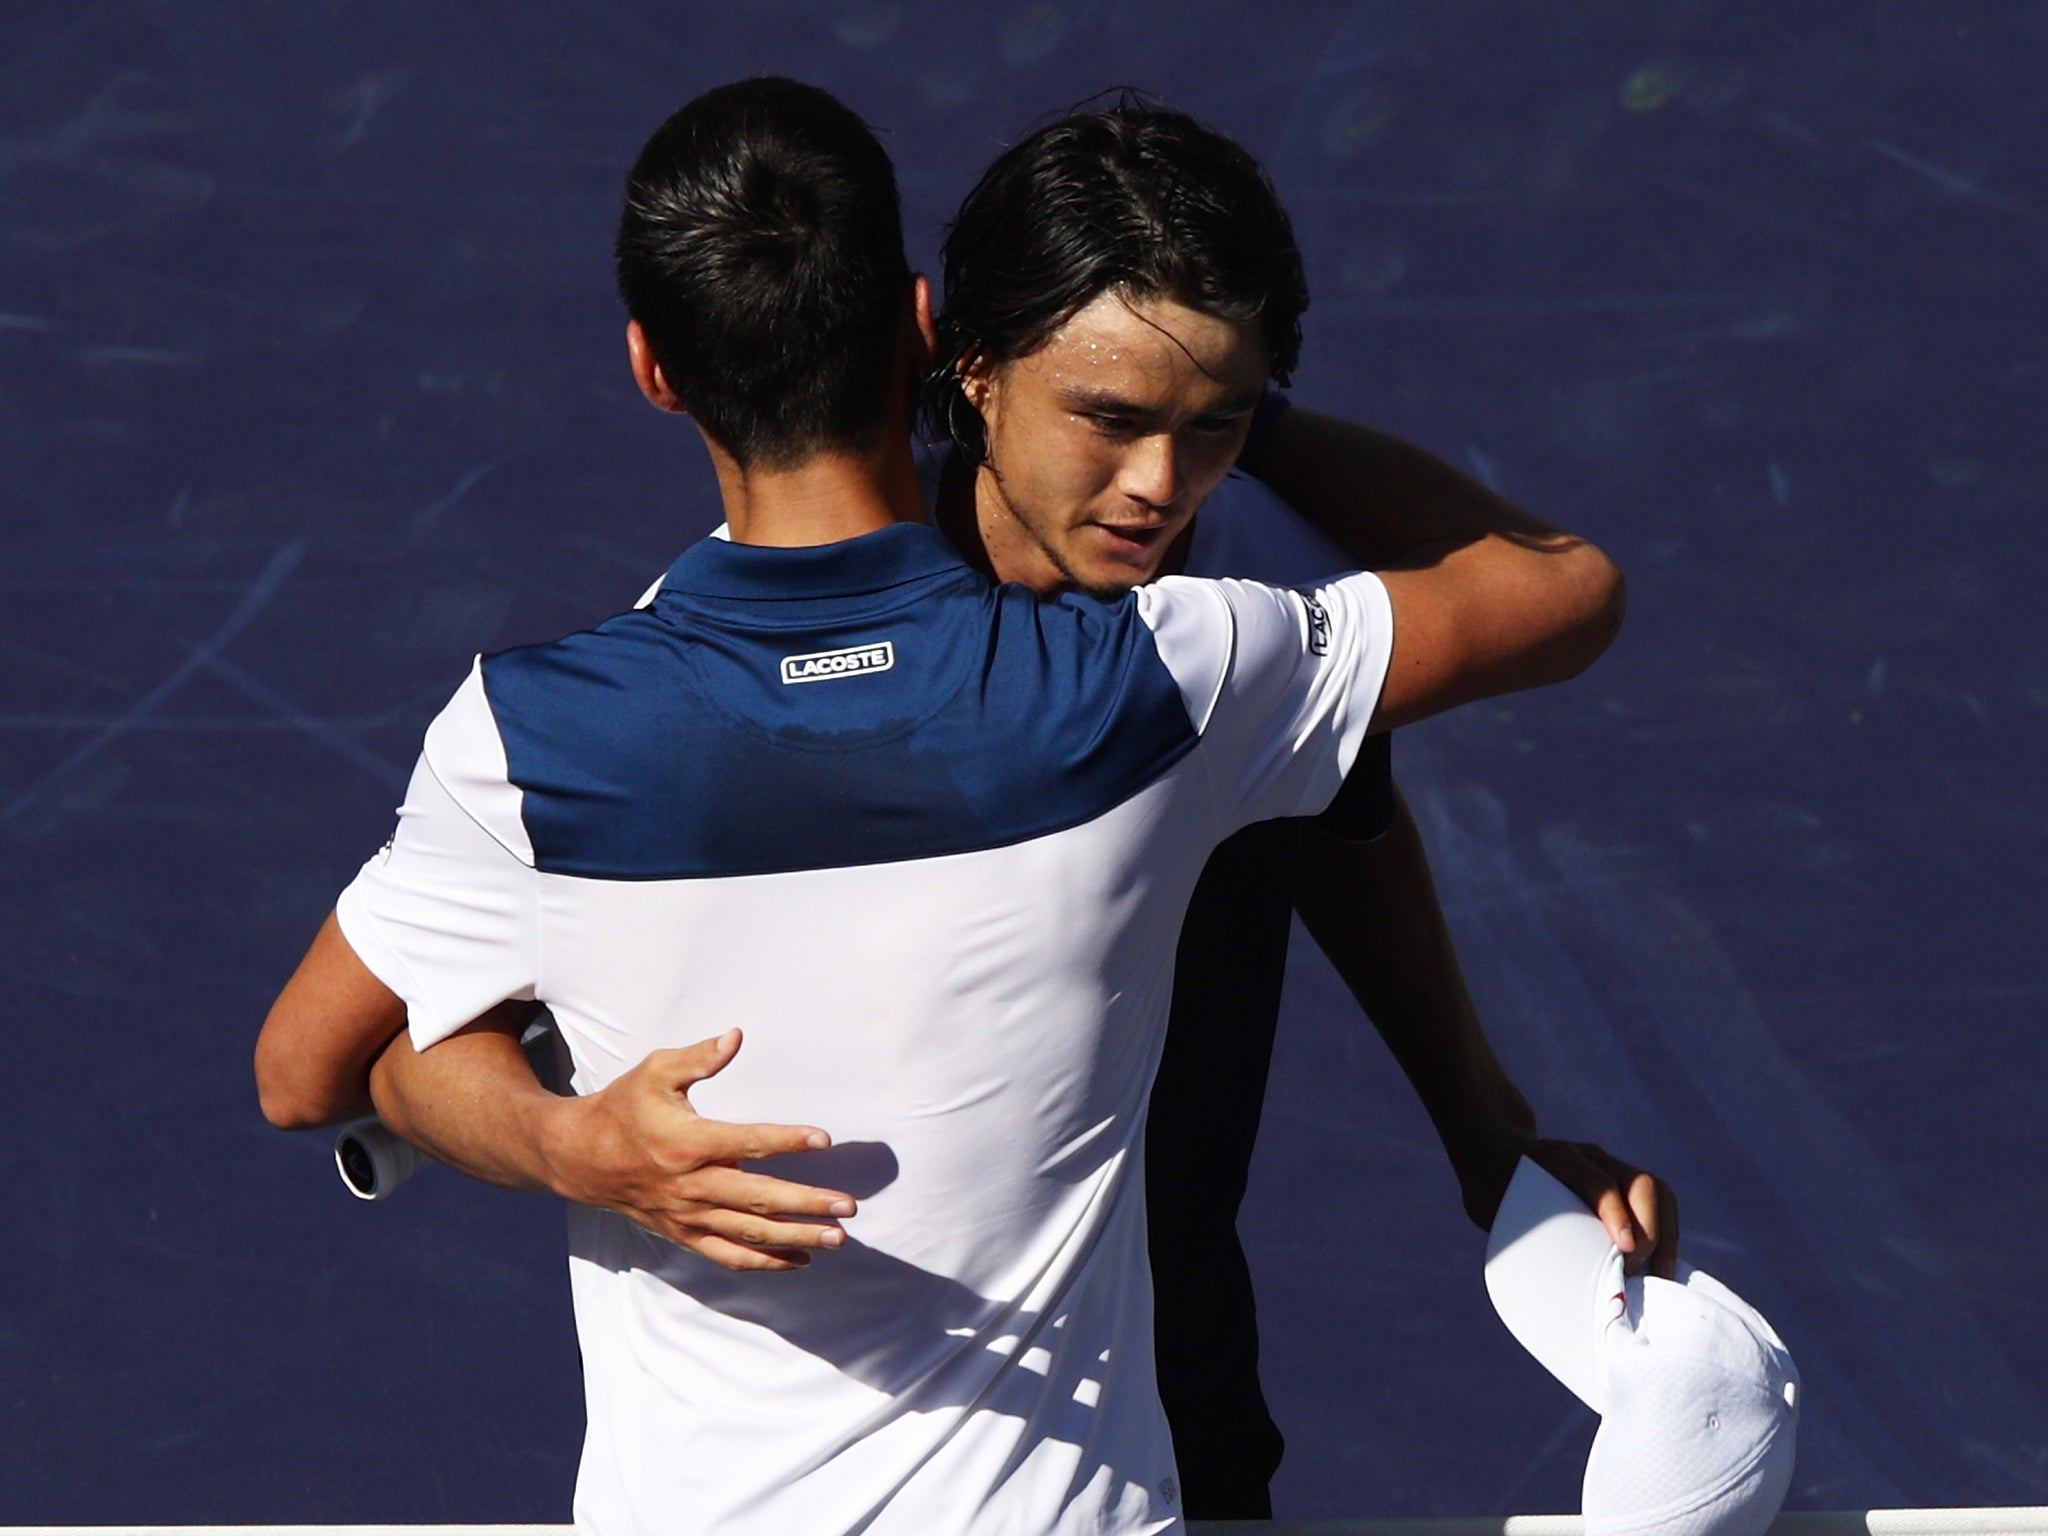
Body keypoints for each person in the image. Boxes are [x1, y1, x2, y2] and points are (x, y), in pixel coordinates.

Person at [257, 79, 1630, 1533]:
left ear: (656, 368)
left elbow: (1344, 828)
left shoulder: (1219, 626)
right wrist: (567, 1140)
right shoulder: (1177, 677)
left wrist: (1493, 1137)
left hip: (1159, 1416)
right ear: (954, 356)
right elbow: (351, 1062)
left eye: (1213, 425)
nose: (1157, 482)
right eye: (1107, 413)